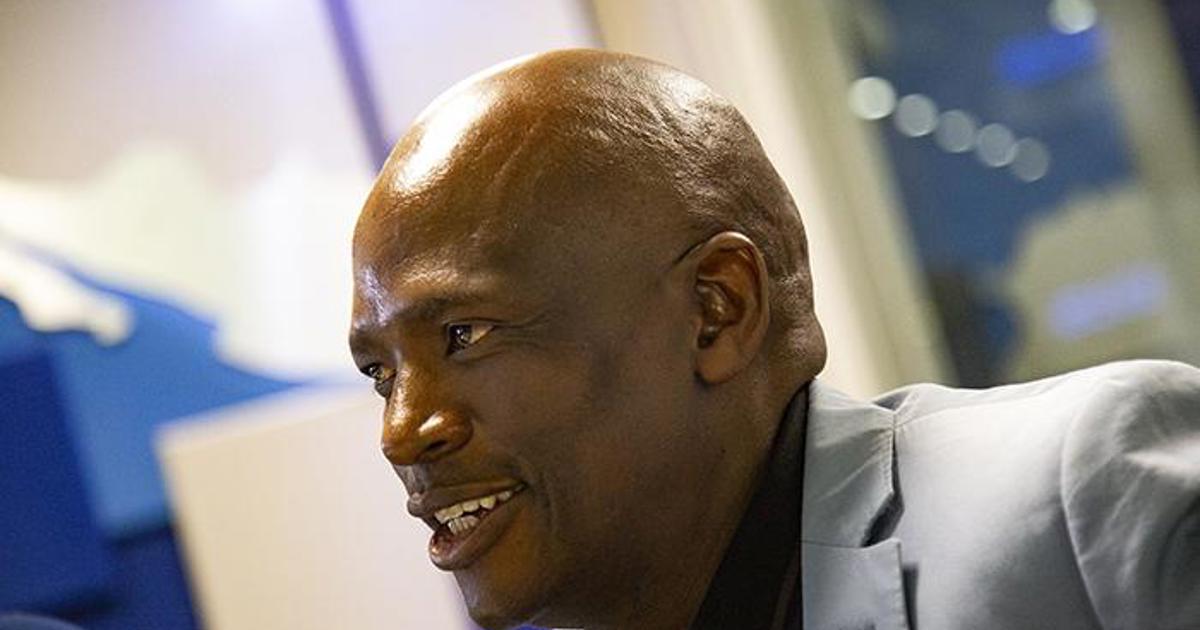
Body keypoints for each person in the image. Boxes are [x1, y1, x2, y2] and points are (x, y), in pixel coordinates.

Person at [348, 49, 1200, 630]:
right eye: (380, 373)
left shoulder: (1079, 496)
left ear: (717, 308)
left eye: (462, 334)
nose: (402, 432)